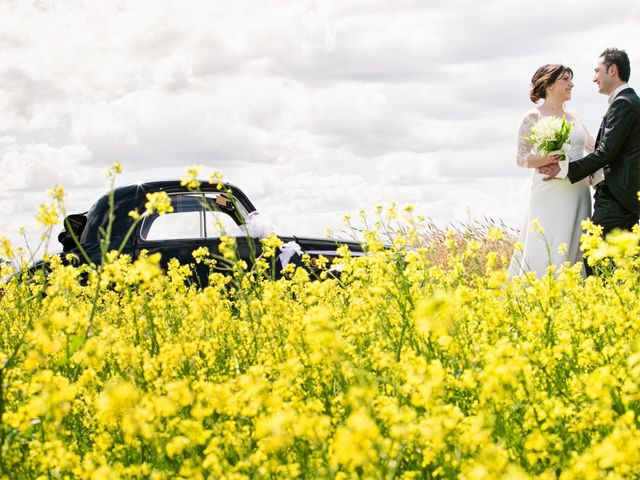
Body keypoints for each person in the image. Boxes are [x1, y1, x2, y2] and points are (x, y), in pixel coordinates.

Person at [539, 48, 640, 275]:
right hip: (624, 197)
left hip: (617, 198)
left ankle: (608, 305)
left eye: (597, 71)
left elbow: (605, 152)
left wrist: (564, 170)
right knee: (622, 265)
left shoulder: (624, 103)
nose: (594, 78)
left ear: (612, 70)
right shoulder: (627, 101)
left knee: (595, 260)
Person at [509, 64, 593, 277]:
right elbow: (521, 158)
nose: (571, 84)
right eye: (565, 79)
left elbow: (595, 148)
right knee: (546, 243)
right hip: (548, 192)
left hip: (577, 191)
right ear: (549, 84)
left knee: (574, 246)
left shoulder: (575, 117)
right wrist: (548, 158)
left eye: (570, 79)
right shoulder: (533, 117)